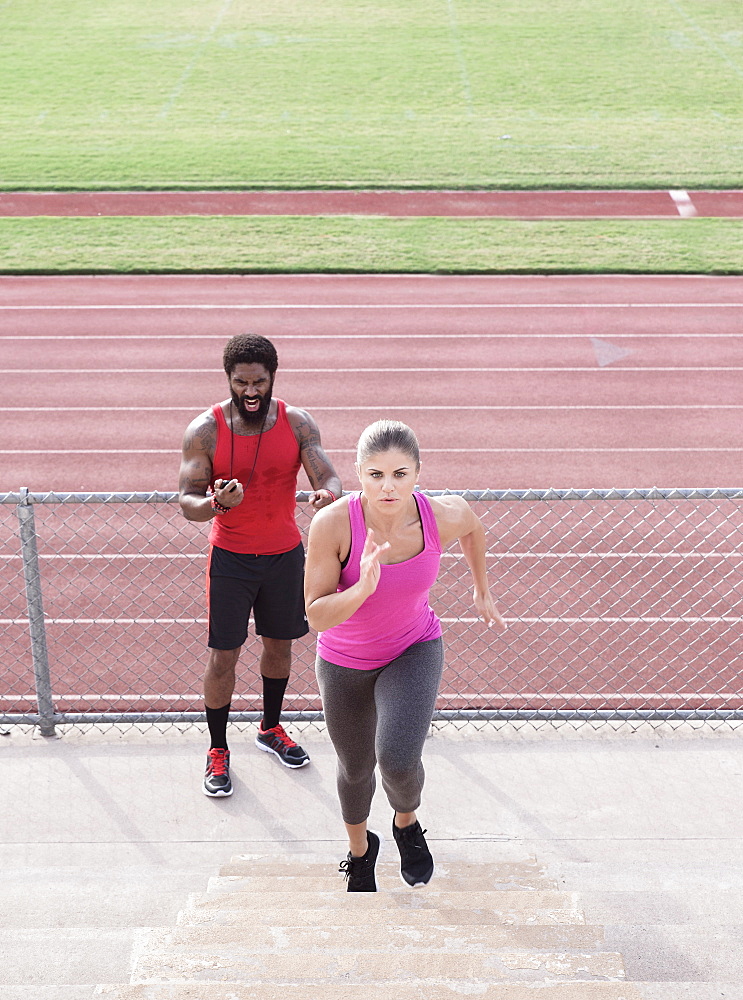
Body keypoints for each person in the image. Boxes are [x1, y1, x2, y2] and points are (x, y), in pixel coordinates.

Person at [304, 420, 505, 892]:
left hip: (412, 648)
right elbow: (315, 615)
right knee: (355, 768)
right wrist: (362, 589)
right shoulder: (332, 525)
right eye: (375, 474)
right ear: (357, 473)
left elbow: (473, 527)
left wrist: (481, 589)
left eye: (399, 473)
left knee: (396, 758)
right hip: (343, 660)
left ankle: (406, 825)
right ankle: (360, 853)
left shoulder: (440, 515)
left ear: (417, 473)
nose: (387, 486)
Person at [179, 333, 341, 798]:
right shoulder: (205, 430)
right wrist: (216, 503)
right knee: (223, 656)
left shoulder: (297, 422)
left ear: (273, 377)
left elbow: (326, 474)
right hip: (230, 558)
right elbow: (187, 501)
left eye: (259, 382)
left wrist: (326, 495)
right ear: (228, 379)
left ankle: (270, 729)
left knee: (280, 647)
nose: (250, 391)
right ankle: (217, 750)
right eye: (241, 382)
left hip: (285, 556)